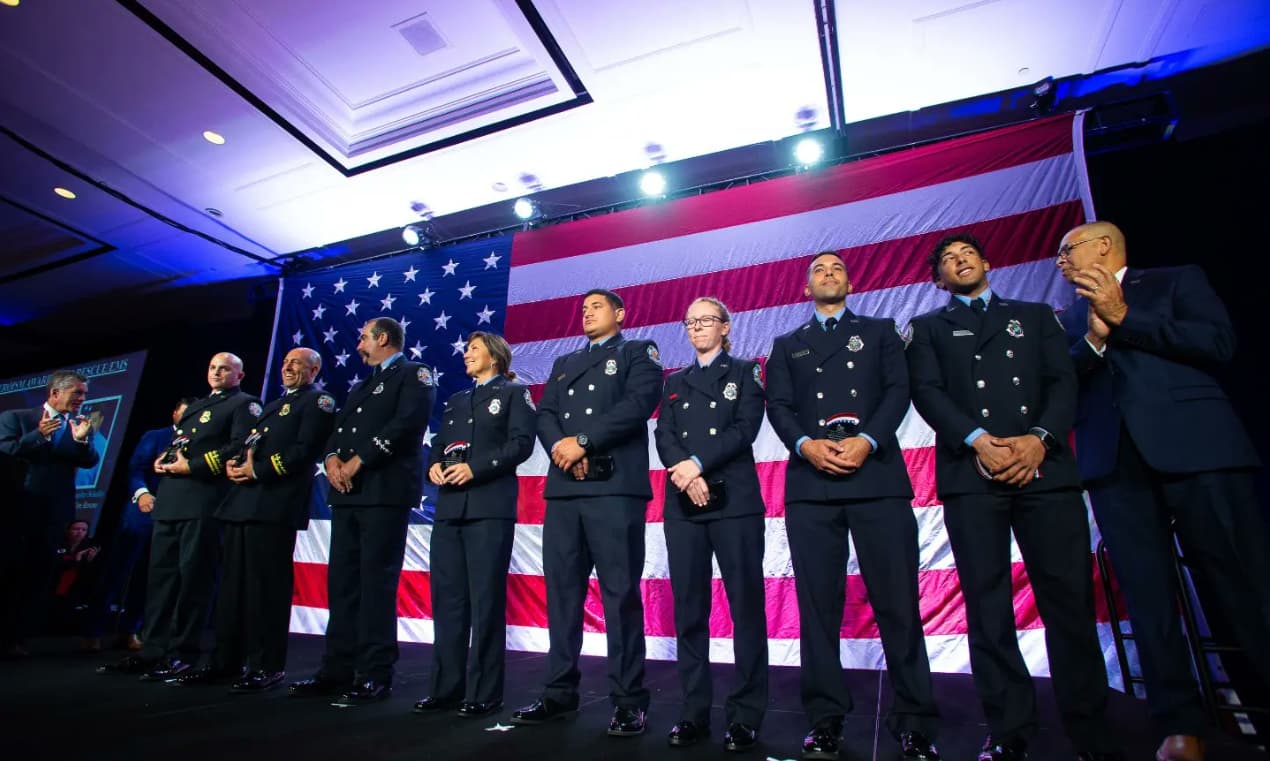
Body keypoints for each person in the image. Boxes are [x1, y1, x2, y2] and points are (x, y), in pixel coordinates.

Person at [1056, 221, 1270, 761]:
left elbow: (1217, 342)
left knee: (1242, 584)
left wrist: (1126, 318)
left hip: (1200, 454)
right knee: (1148, 600)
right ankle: (1180, 724)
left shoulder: (1174, 281)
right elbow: (1059, 383)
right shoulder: (1067, 319)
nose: (1061, 261)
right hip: (1115, 466)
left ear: (1104, 245)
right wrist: (1092, 343)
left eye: (1068, 249)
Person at [906, 233, 1123, 761]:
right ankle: (1008, 728)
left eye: (967, 255)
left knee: (1068, 603)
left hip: (1044, 471)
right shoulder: (928, 329)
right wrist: (978, 440)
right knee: (988, 608)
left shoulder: (1035, 315)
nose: (960, 262)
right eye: (948, 261)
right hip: (970, 473)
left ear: (986, 261)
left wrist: (1037, 440)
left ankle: (1091, 732)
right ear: (939, 279)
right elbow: (928, 393)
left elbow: (1062, 382)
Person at [765, 252, 941, 761]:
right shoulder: (787, 345)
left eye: (837, 269)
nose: (828, 274)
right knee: (818, 608)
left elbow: (898, 390)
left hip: (877, 477)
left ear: (849, 282)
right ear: (805, 289)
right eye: (819, 270)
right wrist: (805, 446)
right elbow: (778, 405)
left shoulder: (881, 331)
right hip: (811, 483)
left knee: (899, 603)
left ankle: (914, 721)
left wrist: (866, 439)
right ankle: (824, 720)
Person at [511, 288, 663, 737]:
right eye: (583, 309)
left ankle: (628, 702)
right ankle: (559, 693)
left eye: (596, 307)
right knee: (562, 597)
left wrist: (584, 441)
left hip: (614, 488)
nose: (587, 313)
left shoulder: (638, 351)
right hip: (565, 492)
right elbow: (545, 415)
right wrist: (562, 446)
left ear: (619, 313)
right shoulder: (562, 364)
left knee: (619, 597)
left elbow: (637, 405)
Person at [289, 318, 435, 706]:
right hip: (349, 494)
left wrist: (359, 461)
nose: (357, 345)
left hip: (383, 492)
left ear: (382, 338)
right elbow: (339, 431)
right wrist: (335, 458)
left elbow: (407, 423)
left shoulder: (413, 374)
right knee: (343, 584)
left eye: (363, 338)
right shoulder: (363, 385)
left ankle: (374, 673)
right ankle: (335, 669)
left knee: (375, 585)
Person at [172, 348, 335, 692]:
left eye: (297, 363)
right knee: (231, 591)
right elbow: (247, 444)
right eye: (286, 362)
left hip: (274, 507)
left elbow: (304, 450)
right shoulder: (273, 405)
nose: (288, 367)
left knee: (266, 590)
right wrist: (232, 463)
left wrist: (258, 470)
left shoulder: (317, 403)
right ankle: (225, 662)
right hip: (241, 504)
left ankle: (266, 664)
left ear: (314, 369)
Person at [653, 297, 768, 753]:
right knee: (689, 611)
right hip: (684, 504)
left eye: (706, 320)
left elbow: (745, 429)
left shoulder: (746, 372)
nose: (697, 327)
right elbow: (664, 435)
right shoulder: (675, 382)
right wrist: (685, 471)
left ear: (726, 327)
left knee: (746, 609)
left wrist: (697, 464)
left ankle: (746, 715)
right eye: (690, 322)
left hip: (734, 501)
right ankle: (693, 712)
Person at [101, 353, 261, 680]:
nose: (217, 372)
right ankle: (152, 650)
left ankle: (182, 653)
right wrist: (166, 459)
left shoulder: (245, 405)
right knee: (160, 581)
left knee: (194, 581)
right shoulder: (197, 407)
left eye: (225, 368)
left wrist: (195, 465)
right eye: (213, 367)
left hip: (204, 503)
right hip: (171, 502)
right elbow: (183, 443)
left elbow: (238, 447)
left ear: (240, 374)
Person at [412, 331, 535, 718]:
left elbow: (521, 444)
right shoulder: (457, 399)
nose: (467, 354)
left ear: (495, 357)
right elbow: (441, 444)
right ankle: (446, 689)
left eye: (474, 349)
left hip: (488, 508)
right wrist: (433, 464)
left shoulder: (515, 394)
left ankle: (484, 692)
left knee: (485, 604)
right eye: (466, 350)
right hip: (449, 510)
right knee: (448, 603)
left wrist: (476, 469)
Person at [83, 398, 195, 652]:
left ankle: (131, 630)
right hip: (141, 512)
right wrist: (142, 494)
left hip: (172, 517)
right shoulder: (156, 436)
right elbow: (135, 469)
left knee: (150, 576)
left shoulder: (197, 442)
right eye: (184, 413)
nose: (189, 418)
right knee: (116, 572)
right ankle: (92, 632)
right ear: (174, 413)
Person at [0, 370, 98, 657]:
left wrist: (82, 441)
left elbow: (90, 460)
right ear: (55, 393)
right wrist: (38, 436)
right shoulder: (17, 418)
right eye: (77, 393)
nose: (82, 398)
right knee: (8, 569)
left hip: (54, 513)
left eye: (84, 393)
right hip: (17, 510)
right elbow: (5, 451)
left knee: (38, 574)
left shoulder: (76, 426)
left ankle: (16, 638)